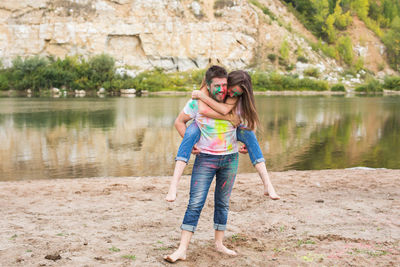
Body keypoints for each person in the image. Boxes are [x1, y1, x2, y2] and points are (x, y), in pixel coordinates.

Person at [165, 70, 279, 204]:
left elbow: (250, 118)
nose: (231, 94)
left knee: (248, 133)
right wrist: (229, 116)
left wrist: (248, 140)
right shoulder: (205, 93)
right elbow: (202, 111)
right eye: (231, 90)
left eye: (237, 94)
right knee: (190, 132)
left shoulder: (235, 99)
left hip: (228, 136)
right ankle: (173, 185)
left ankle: (267, 184)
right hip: (204, 131)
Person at [164, 66, 239, 263]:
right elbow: (179, 122)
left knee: (222, 203)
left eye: (224, 85)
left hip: (230, 159)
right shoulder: (195, 103)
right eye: (217, 86)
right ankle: (182, 249)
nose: (222, 89)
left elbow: (244, 123)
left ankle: (219, 244)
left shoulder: (233, 102)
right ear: (207, 85)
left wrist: (245, 142)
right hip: (206, 159)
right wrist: (192, 144)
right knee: (195, 203)